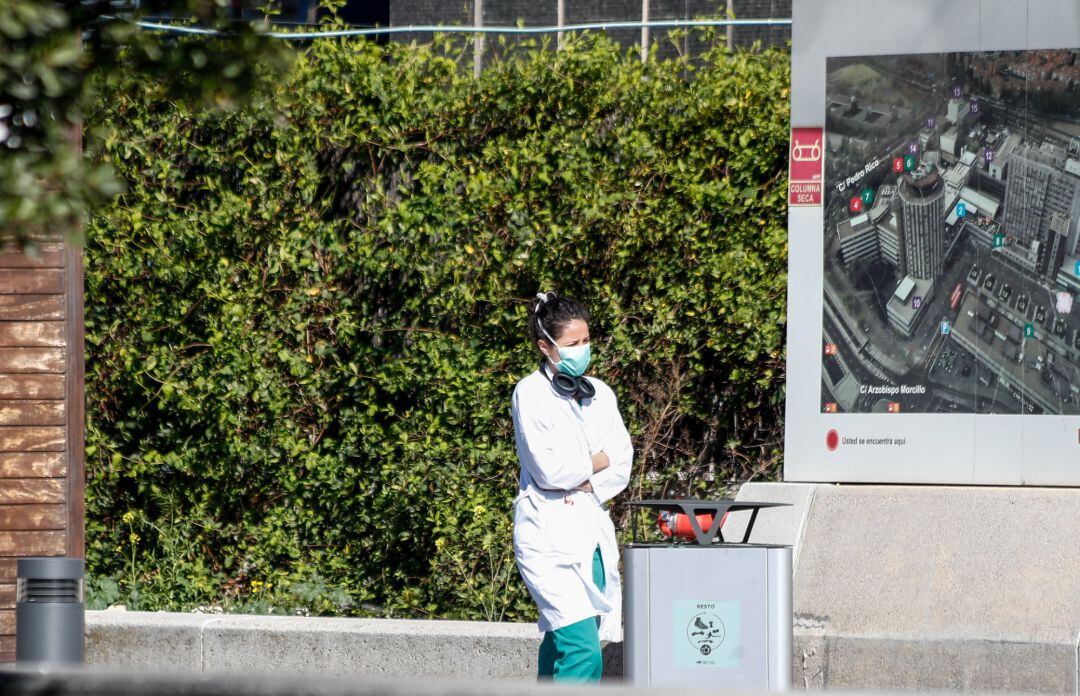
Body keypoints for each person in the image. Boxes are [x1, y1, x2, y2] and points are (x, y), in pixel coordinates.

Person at [510, 291, 633, 682]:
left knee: (561, 641)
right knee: (581, 650)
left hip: (591, 534)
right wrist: (595, 461)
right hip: (547, 537)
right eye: (572, 344)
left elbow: (622, 462)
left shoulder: (602, 394)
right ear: (545, 346)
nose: (583, 350)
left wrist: (583, 476)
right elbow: (548, 471)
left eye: (586, 341)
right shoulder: (530, 393)